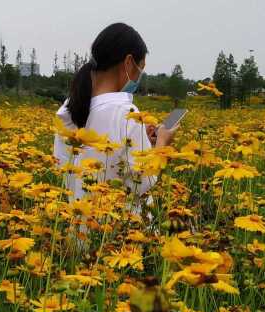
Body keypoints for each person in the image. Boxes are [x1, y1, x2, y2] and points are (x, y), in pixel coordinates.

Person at [54, 23, 177, 205]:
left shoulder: (67, 110)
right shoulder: (126, 114)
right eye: (140, 68)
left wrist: (143, 141)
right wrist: (161, 144)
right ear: (128, 63)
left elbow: (66, 168)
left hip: (79, 222)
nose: (138, 77)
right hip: (119, 228)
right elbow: (140, 184)